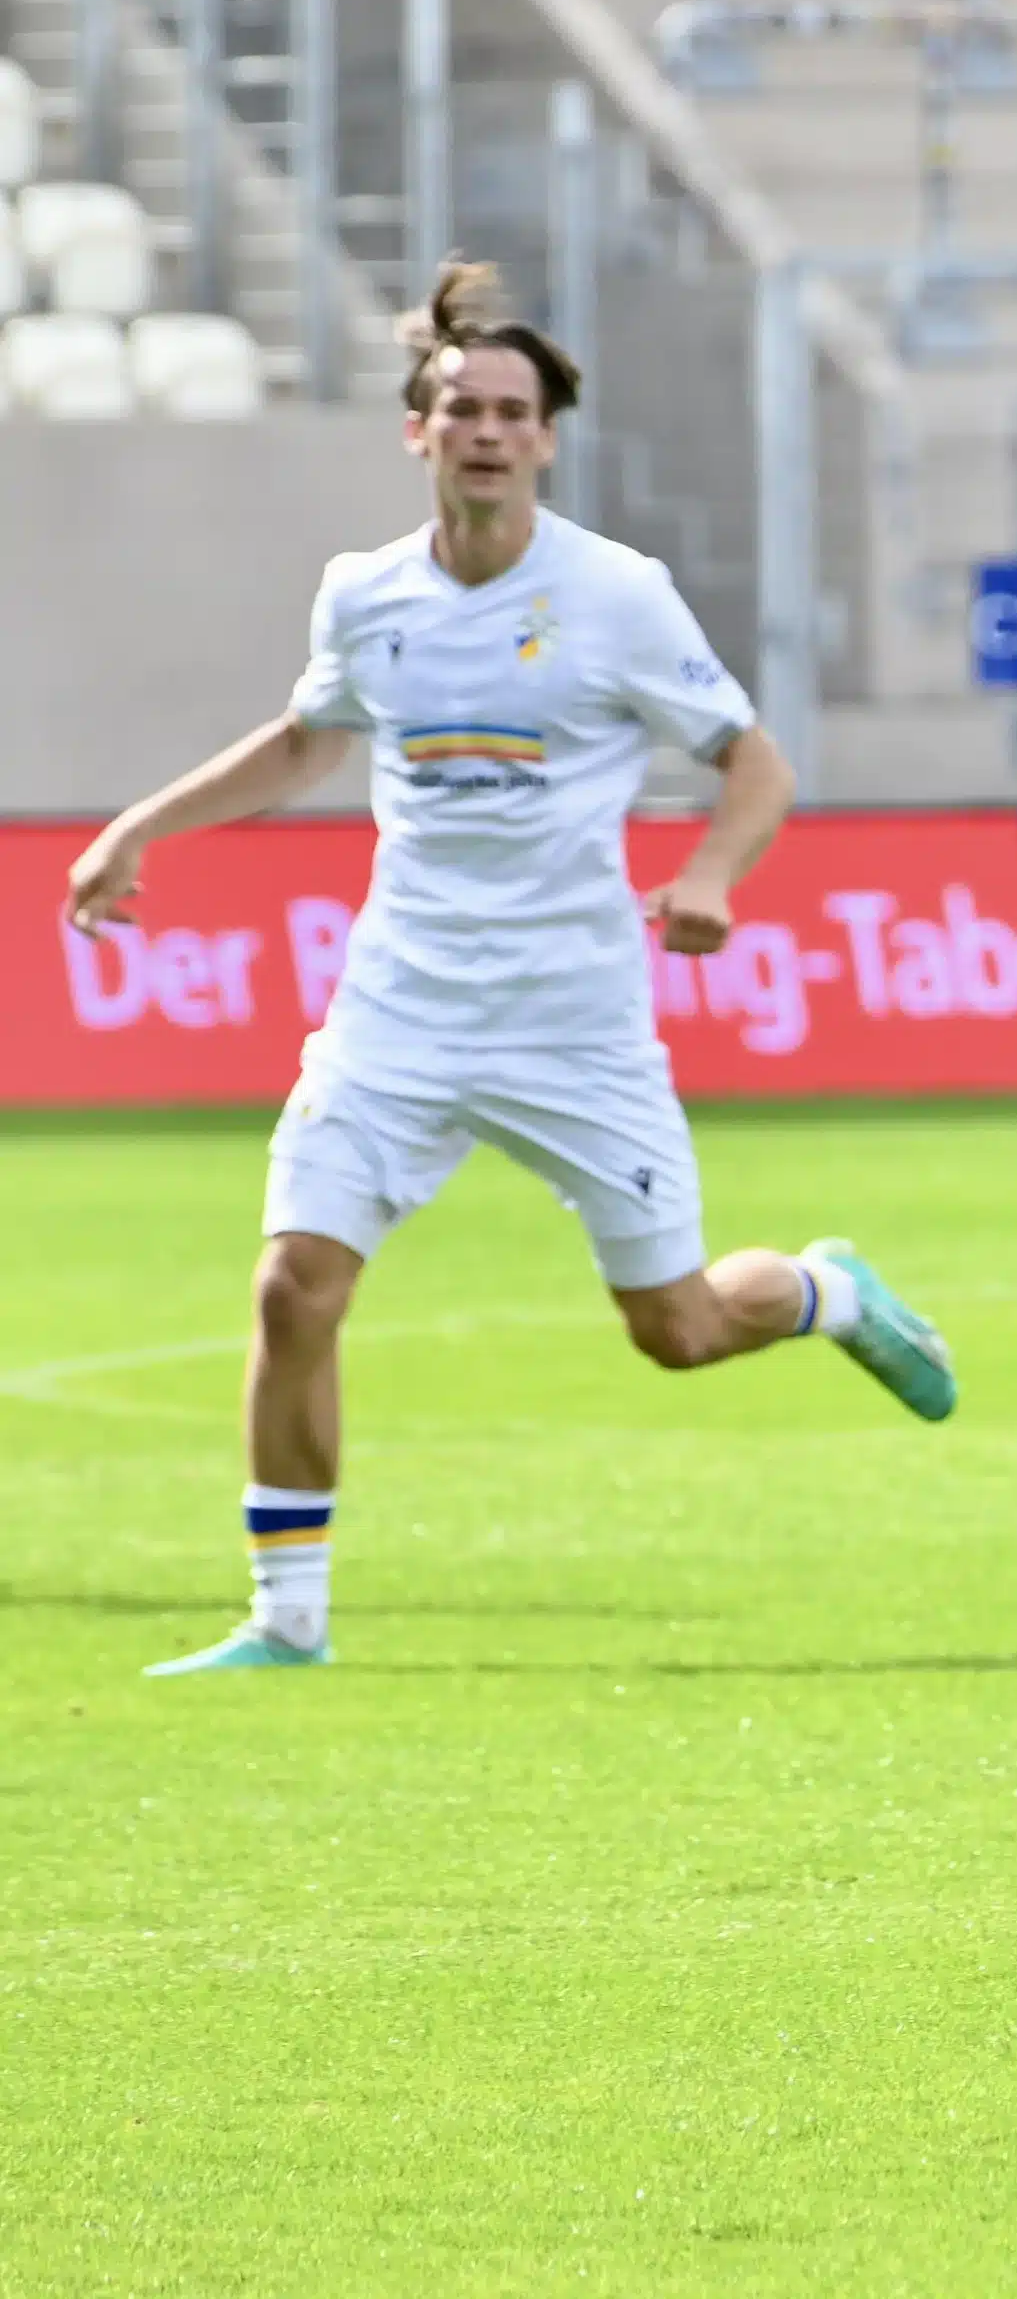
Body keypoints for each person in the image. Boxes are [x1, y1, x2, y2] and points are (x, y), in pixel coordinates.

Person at [62, 263, 958, 1678]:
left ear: (546, 437)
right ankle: (287, 1618)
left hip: (572, 1020)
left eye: (512, 411)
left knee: (674, 1329)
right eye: (460, 408)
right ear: (418, 433)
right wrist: (137, 826)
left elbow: (753, 764)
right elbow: (311, 737)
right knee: (294, 1285)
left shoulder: (615, 594)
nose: (486, 430)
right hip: (398, 1007)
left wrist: (714, 874)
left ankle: (821, 1290)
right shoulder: (363, 595)